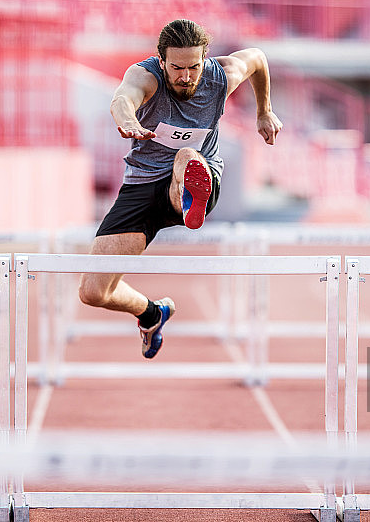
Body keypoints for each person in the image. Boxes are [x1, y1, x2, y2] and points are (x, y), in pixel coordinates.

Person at [78, 19, 283, 359]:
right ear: (161, 61)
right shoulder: (145, 77)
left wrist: (265, 111)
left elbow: (258, 58)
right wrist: (128, 120)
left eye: (193, 67)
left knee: (187, 156)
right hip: (143, 184)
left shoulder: (221, 75)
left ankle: (188, 197)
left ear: (205, 59)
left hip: (200, 174)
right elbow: (122, 99)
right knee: (94, 291)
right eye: (177, 68)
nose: (186, 77)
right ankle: (151, 313)